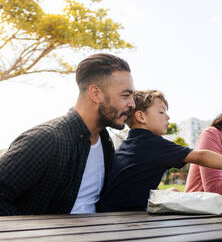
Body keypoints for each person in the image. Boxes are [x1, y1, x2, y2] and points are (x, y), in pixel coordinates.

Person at [0, 53, 135, 215]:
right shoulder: (46, 139)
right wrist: (33, 236)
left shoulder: (105, 143)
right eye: (126, 96)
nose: (132, 104)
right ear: (96, 94)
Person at [98, 90, 222, 212]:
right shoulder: (151, 143)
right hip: (123, 218)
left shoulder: (132, 143)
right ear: (141, 116)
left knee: (174, 191)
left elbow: (133, 182)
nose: (168, 116)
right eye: (161, 112)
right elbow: (200, 156)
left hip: (110, 211)